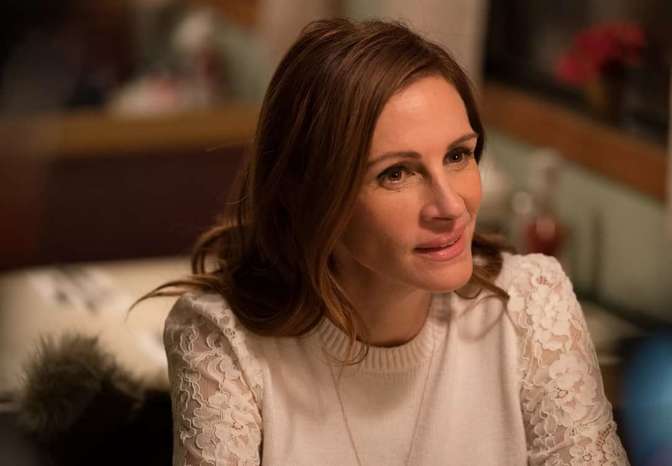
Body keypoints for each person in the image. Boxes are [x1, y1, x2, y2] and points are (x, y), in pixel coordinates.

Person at [149, 18, 629, 465]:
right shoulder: (222, 340)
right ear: (308, 192)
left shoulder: (532, 303)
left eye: (458, 156)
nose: (451, 206)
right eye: (396, 173)